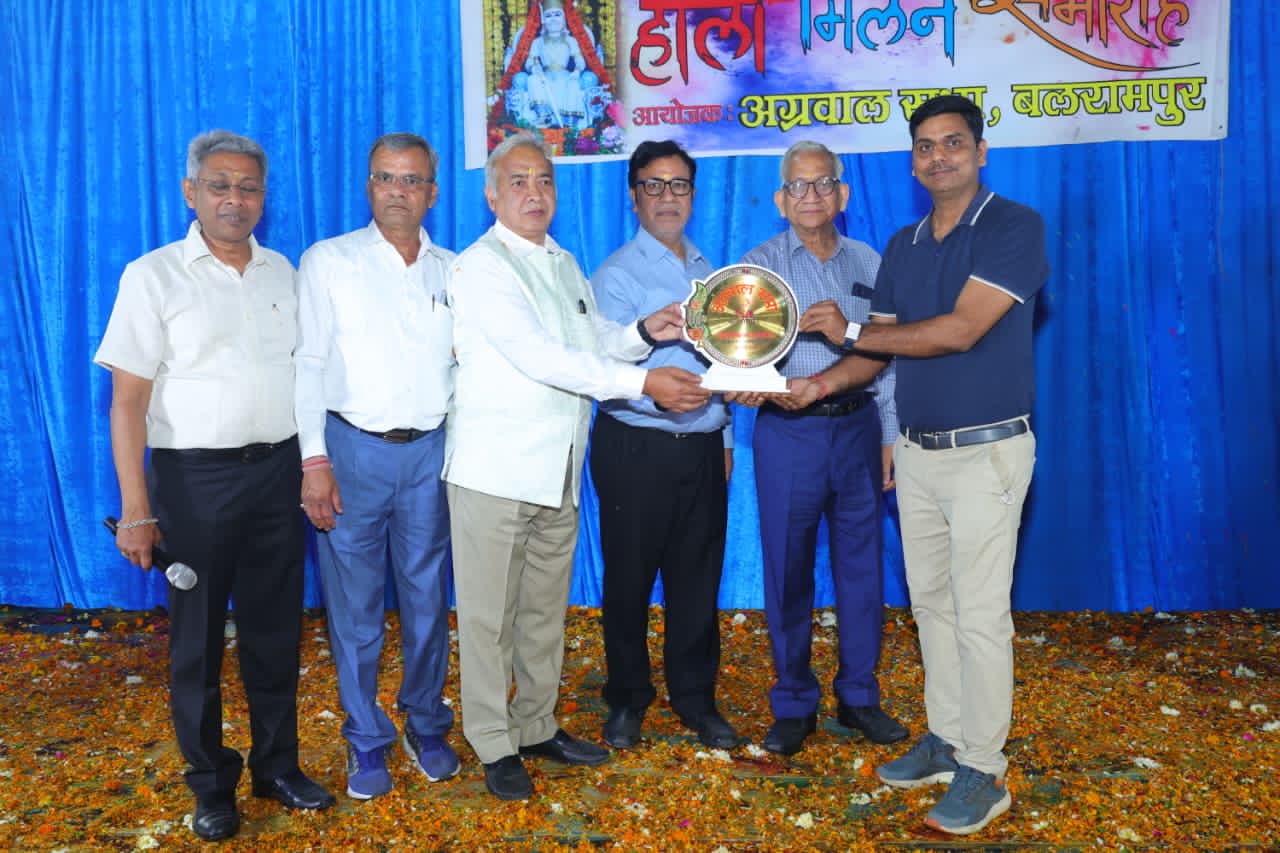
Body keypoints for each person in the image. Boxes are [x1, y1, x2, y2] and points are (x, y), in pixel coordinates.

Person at [789, 95, 1047, 835]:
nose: (939, 157)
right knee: (932, 604)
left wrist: (849, 332)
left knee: (980, 615)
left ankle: (984, 769)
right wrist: (819, 385)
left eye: (953, 143)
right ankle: (947, 736)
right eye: (925, 146)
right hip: (919, 453)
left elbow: (960, 331)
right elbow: (878, 350)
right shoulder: (903, 244)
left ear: (981, 151)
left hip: (987, 451)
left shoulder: (1014, 226)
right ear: (912, 161)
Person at [444, 132, 710, 801]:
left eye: (544, 181)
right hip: (494, 472)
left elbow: (592, 341)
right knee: (488, 618)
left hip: (558, 469)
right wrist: (646, 383)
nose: (534, 193)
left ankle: (536, 725)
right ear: (491, 194)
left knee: (542, 613)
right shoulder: (480, 268)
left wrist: (646, 332)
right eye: (519, 182)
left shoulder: (562, 262)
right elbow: (542, 356)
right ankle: (493, 740)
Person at [95, 130, 335, 842]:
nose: (236, 199)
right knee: (196, 644)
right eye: (220, 185)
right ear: (190, 192)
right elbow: (127, 403)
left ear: (264, 197)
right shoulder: (153, 276)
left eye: (249, 187)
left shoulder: (283, 272)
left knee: (275, 632)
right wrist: (136, 508)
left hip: (276, 476)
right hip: (193, 483)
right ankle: (210, 784)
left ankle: (277, 766)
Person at [294, 133, 459, 800]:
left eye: (412, 179)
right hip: (351, 451)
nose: (398, 191)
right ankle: (365, 736)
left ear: (432, 193)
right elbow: (307, 363)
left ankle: (427, 722)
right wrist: (314, 458)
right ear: (369, 186)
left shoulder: (454, 271)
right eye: (386, 178)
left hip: (431, 453)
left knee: (427, 602)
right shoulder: (328, 261)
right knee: (356, 609)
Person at [737, 140, 908, 757]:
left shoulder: (869, 260)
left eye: (823, 183)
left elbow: (885, 353)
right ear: (781, 200)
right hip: (789, 433)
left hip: (858, 427)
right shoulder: (757, 268)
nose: (811, 195)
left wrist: (888, 434)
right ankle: (793, 702)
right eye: (798, 186)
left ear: (843, 193)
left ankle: (859, 695)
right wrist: (751, 385)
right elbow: (738, 349)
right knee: (787, 568)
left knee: (862, 568)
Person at [590, 140, 739, 751]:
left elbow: (730, 359)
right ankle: (627, 698)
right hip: (635, 446)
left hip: (703, 448)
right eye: (654, 185)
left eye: (679, 185)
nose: (667, 197)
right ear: (634, 196)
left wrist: (723, 433)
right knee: (628, 578)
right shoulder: (615, 275)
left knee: (698, 578)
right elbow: (604, 369)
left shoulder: (714, 273)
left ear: (693, 196)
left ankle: (696, 697)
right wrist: (662, 399)